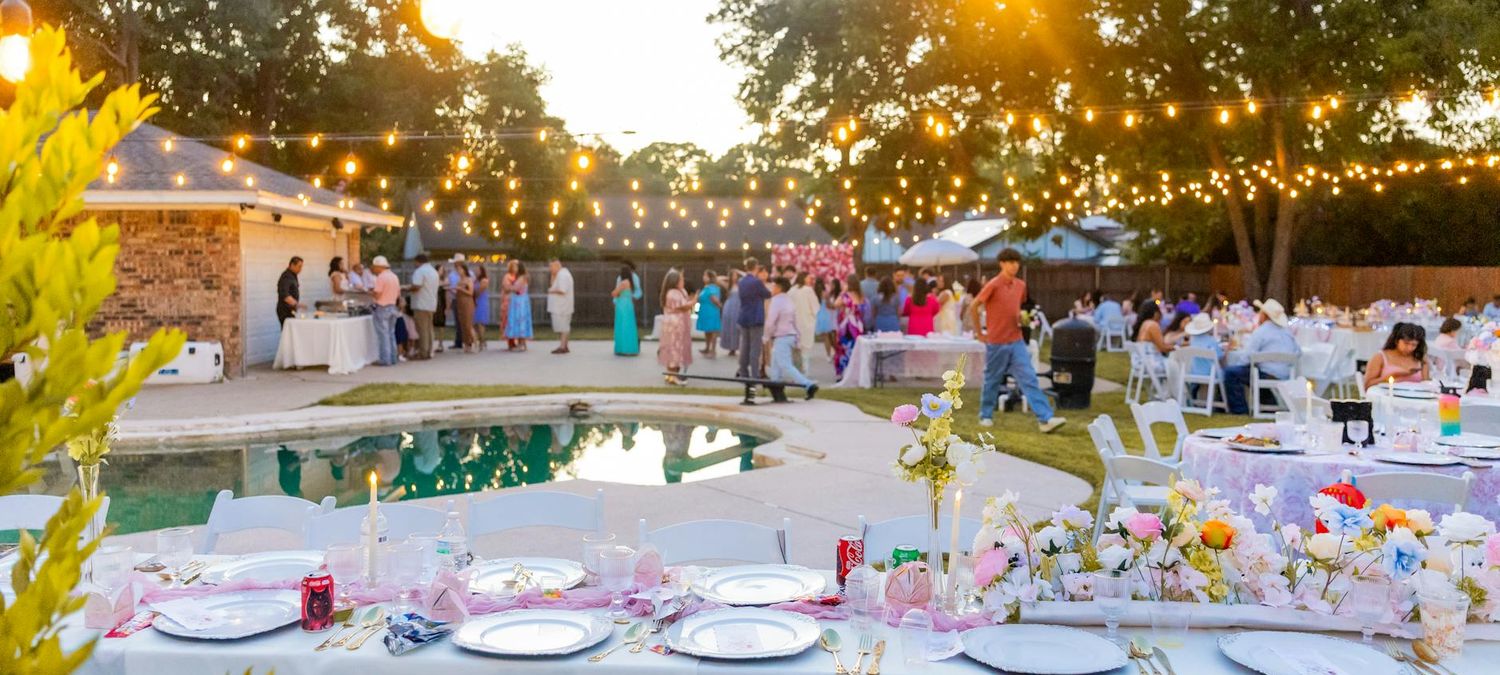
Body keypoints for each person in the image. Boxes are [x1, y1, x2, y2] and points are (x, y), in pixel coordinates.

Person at [968, 248, 1065, 432]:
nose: (1014, 266)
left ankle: (1045, 419)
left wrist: (1023, 318)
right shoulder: (993, 284)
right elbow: (974, 306)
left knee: (1029, 378)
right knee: (992, 379)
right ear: (1002, 264)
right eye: (1010, 262)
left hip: (1017, 339)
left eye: (1016, 262)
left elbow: (1017, 309)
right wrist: (980, 333)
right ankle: (985, 415)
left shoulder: (1021, 285)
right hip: (996, 341)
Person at [1223, 299, 1301, 414]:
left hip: (1265, 373)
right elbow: (1298, 352)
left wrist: (1239, 363)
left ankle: (1239, 409)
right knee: (1252, 372)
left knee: (1231, 373)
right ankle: (1268, 403)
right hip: (1285, 374)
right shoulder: (1287, 332)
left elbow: (1248, 357)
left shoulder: (1261, 331)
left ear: (1264, 315)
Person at [763, 277, 818, 397]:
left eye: (774, 286)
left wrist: (766, 336)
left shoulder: (776, 301)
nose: (772, 288)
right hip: (790, 336)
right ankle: (776, 390)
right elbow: (795, 321)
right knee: (776, 366)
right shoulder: (788, 300)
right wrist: (798, 337)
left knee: (785, 364)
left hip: (782, 337)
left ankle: (808, 384)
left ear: (778, 288)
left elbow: (770, 321)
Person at [1364, 322, 1431, 390]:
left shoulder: (1420, 359)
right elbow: (1367, 385)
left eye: (1414, 345)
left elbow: (1426, 385)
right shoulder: (1380, 357)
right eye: (1406, 343)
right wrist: (1395, 375)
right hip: (1387, 396)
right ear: (1396, 341)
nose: (1410, 348)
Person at [736, 258, 771, 379]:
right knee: (755, 348)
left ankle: (744, 372)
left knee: (744, 346)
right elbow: (767, 294)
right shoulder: (757, 282)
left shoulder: (741, 281)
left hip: (744, 316)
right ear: (755, 267)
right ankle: (755, 374)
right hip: (756, 317)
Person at [658, 269, 694, 384]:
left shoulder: (674, 292)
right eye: (681, 279)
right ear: (675, 281)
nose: (683, 281)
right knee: (675, 349)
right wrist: (694, 301)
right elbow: (683, 307)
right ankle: (674, 376)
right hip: (675, 325)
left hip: (673, 324)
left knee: (672, 348)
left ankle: (670, 374)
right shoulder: (673, 293)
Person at [370, 256, 401, 365]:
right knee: (391, 333)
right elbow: (398, 294)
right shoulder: (394, 276)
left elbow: (378, 293)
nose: (373, 269)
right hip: (393, 306)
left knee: (383, 335)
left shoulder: (381, 277)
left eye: (374, 267)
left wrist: (371, 293)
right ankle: (393, 358)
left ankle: (385, 359)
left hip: (382, 307)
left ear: (379, 267)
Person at [408, 253, 439, 359]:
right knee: (429, 328)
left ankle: (423, 352)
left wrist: (407, 288)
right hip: (431, 303)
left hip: (421, 303)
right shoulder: (433, 271)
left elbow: (417, 286)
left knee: (422, 329)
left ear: (418, 261)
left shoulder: (420, 271)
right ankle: (429, 350)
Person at [834, 276, 866, 378]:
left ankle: (843, 372)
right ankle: (854, 372)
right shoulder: (860, 296)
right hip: (858, 325)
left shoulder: (845, 295)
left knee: (843, 347)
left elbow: (836, 304)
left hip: (846, 325)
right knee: (855, 348)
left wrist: (843, 292)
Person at [790, 272, 821, 373]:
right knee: (805, 350)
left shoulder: (792, 290)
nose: (810, 280)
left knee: (795, 349)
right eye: (808, 278)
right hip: (806, 322)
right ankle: (805, 371)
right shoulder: (808, 290)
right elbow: (815, 307)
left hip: (794, 323)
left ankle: (796, 372)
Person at [547, 258, 574, 354]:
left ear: (557, 265)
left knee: (562, 327)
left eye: (551, 266)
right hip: (560, 306)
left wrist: (550, 291)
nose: (550, 269)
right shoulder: (560, 274)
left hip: (561, 307)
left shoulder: (562, 275)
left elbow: (562, 290)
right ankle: (564, 345)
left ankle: (563, 346)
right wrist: (553, 275)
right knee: (563, 326)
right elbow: (553, 284)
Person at [612, 265, 639, 356]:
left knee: (622, 325)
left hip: (622, 305)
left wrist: (616, 293)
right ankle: (631, 348)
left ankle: (623, 348)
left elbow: (614, 293)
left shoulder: (623, 283)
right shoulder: (630, 283)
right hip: (629, 304)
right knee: (629, 325)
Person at [504, 261, 532, 350]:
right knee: (518, 321)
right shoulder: (520, 277)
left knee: (520, 320)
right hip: (518, 301)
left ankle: (522, 343)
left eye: (515, 267)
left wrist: (508, 287)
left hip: (520, 303)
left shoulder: (522, 278)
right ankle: (521, 343)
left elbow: (516, 288)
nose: (514, 269)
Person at [696, 270, 723, 357]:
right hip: (705, 311)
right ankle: (707, 347)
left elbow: (714, 299)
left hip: (711, 311)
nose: (703, 277)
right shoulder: (706, 287)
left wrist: (720, 306)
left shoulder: (712, 287)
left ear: (710, 278)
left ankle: (713, 350)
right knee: (707, 330)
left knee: (713, 330)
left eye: (705, 276)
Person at [452, 260, 477, 353]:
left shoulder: (468, 279)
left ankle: (474, 343)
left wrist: (460, 289)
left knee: (468, 324)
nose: (458, 271)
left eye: (460, 269)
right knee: (462, 324)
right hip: (460, 303)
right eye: (457, 269)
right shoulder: (459, 280)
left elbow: (470, 292)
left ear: (464, 270)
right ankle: (466, 344)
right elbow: (458, 291)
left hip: (467, 303)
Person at [446, 254, 466, 350]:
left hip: (465, 299)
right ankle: (459, 341)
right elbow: (448, 286)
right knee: (458, 321)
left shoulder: (468, 274)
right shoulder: (451, 275)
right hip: (455, 299)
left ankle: (467, 340)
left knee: (466, 320)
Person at [818, 278, 840, 359]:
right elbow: (827, 305)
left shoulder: (838, 294)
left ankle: (836, 352)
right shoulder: (829, 294)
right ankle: (830, 354)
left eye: (832, 284)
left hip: (835, 316)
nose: (831, 286)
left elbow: (833, 306)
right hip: (829, 316)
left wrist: (829, 302)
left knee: (834, 336)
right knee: (828, 336)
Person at [721, 270, 742, 357]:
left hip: (738, 306)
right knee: (729, 326)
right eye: (733, 275)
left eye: (736, 275)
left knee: (736, 327)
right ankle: (730, 347)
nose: (735, 277)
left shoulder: (741, 284)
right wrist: (728, 277)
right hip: (729, 306)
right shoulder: (728, 285)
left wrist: (739, 271)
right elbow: (718, 279)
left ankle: (736, 346)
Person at [277, 256, 302, 326]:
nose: (300, 269)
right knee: (287, 333)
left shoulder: (293, 275)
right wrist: (297, 304)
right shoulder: (286, 276)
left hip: (291, 310)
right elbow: (285, 295)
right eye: (299, 266)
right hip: (285, 311)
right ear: (292, 265)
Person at [472, 263, 490, 351]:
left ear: (482, 271)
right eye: (475, 270)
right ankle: (481, 340)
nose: (476, 271)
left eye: (478, 270)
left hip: (481, 302)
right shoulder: (475, 280)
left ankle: (482, 341)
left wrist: (472, 292)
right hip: (474, 302)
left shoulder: (484, 280)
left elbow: (479, 291)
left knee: (480, 323)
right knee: (475, 323)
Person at [500, 260, 518, 348]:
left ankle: (515, 340)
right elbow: (506, 288)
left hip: (516, 302)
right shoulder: (507, 276)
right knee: (508, 320)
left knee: (515, 320)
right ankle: (510, 341)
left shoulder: (518, 276)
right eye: (515, 266)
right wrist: (515, 287)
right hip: (508, 301)